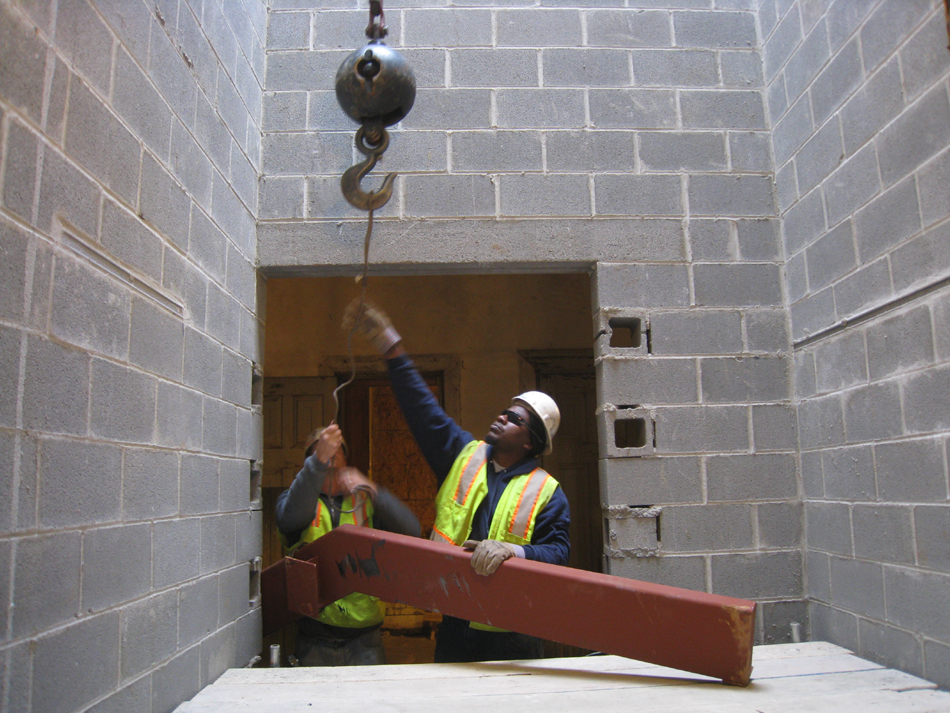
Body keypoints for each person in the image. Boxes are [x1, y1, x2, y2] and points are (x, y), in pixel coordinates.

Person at [344, 299, 570, 663]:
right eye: (504, 409)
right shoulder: (463, 456)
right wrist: (389, 343)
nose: (501, 416)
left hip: (514, 635)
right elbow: (422, 409)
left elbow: (559, 553)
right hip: (456, 623)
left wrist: (514, 551)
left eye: (514, 417)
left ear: (530, 441)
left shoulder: (547, 492)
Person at [275, 422, 421, 666]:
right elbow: (290, 519)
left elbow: (411, 530)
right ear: (309, 460)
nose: (330, 453)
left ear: (346, 458)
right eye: (319, 449)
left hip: (365, 639)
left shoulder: (365, 500)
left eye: (336, 449)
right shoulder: (295, 499)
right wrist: (318, 463)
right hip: (314, 636)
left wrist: (373, 489)